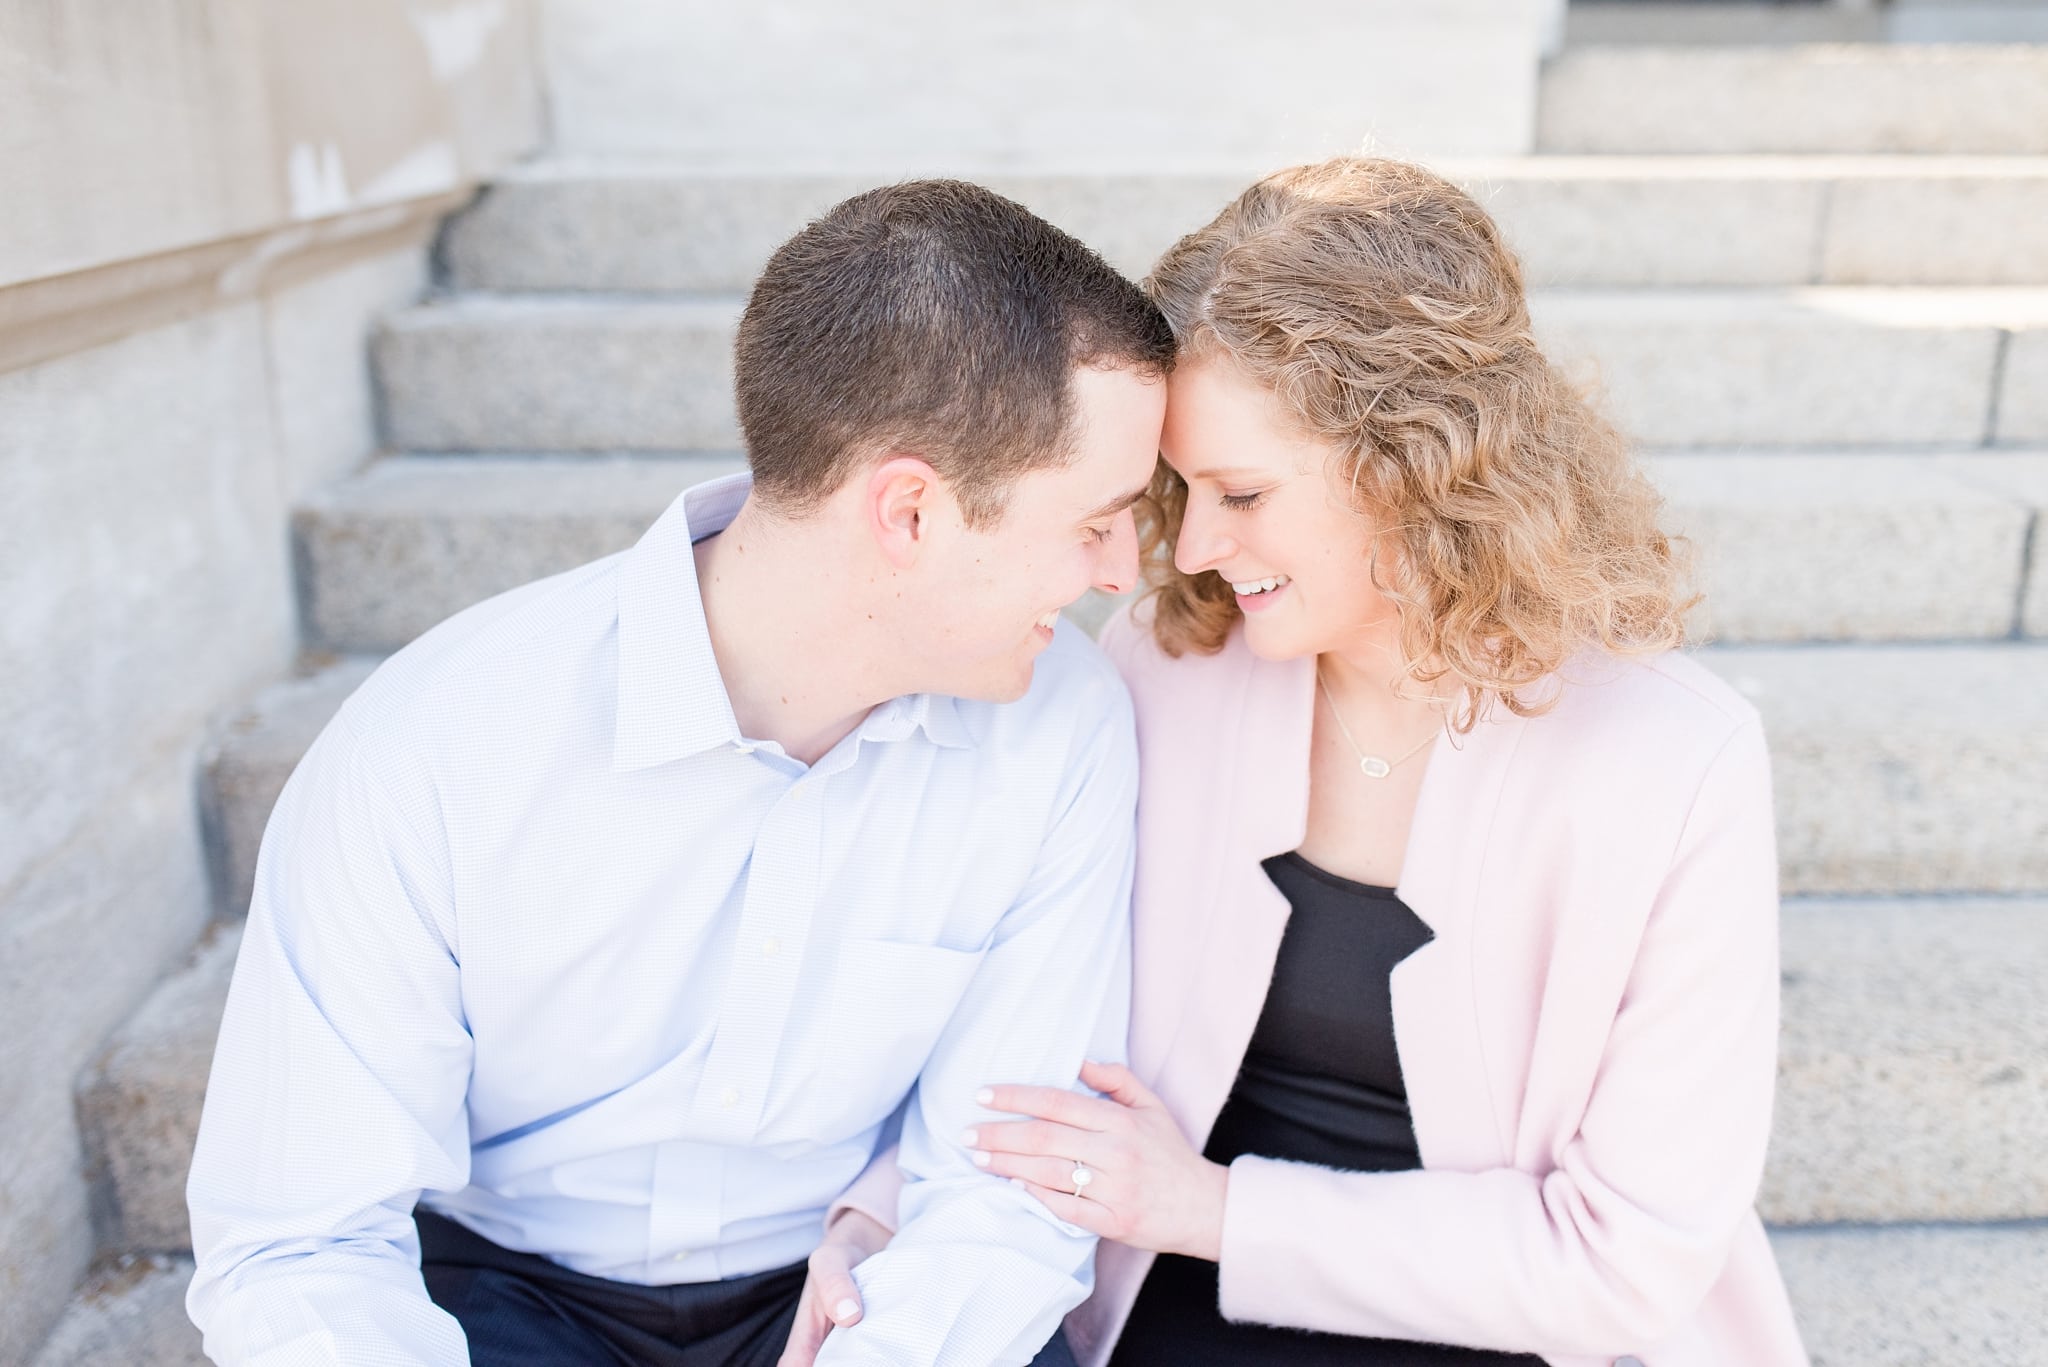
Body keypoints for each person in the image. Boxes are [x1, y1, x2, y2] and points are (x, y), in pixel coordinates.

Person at [798, 157, 1809, 1366]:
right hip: (1157, 1302)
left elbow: (1620, 1260)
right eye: (1184, 490)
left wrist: (1214, 1207)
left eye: (1241, 491)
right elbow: (1020, 995)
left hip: (1515, 1326)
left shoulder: (1670, 758)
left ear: (1412, 463)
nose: (1200, 543)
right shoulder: (1164, 665)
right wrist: (877, 1218)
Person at [184, 179, 1177, 1367]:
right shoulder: (436, 742)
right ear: (909, 511)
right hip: (497, 1299)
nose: (1123, 570)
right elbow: (298, 1241)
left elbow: (1004, 1181)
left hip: (850, 1291)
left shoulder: (1060, 724)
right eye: (1094, 520)